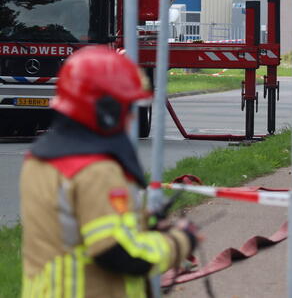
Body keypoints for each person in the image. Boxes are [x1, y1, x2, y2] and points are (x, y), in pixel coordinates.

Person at [21, 46, 198, 297]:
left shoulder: (39, 159)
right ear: (108, 110)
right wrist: (180, 241)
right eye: (128, 108)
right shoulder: (97, 170)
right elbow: (118, 253)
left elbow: (74, 224)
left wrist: (139, 221)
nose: (130, 118)